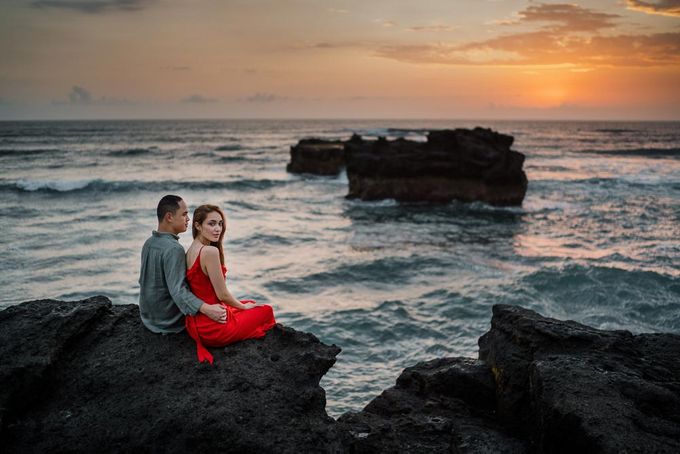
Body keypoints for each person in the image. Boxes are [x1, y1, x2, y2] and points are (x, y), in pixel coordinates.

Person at [184, 204, 276, 364]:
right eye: (211, 224)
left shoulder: (191, 250)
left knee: (250, 303)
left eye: (220, 224)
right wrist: (242, 307)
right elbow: (223, 295)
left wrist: (242, 305)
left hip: (197, 323)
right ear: (198, 225)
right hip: (215, 327)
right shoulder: (210, 252)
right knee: (266, 310)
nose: (218, 229)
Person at [139, 195, 226, 334]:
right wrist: (206, 309)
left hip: (148, 317)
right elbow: (178, 291)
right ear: (169, 217)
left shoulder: (149, 243)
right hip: (169, 322)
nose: (188, 219)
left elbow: (143, 282)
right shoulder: (174, 249)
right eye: (184, 214)